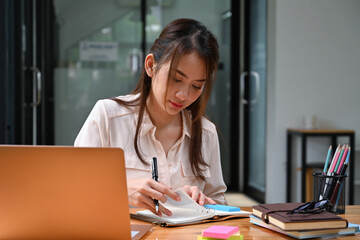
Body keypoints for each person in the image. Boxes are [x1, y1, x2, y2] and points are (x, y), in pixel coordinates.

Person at [75, 18, 227, 217]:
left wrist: (202, 202)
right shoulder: (108, 117)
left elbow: (220, 204)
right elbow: (75, 191)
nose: (183, 95)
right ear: (150, 66)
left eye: (196, 86)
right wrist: (121, 192)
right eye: (176, 79)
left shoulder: (206, 132)